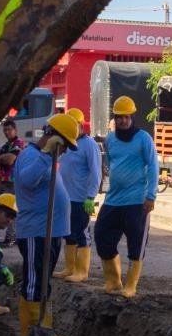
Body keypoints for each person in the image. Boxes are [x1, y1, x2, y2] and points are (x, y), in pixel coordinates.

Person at [13, 113, 78, 336]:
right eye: (64, 146)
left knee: (43, 284)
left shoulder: (46, 158)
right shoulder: (32, 155)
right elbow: (27, 181)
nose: (64, 152)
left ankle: (44, 331)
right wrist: (45, 154)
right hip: (35, 232)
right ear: (53, 138)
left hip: (49, 232)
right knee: (33, 283)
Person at [94, 95, 158, 299]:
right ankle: (113, 281)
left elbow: (153, 167)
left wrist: (150, 196)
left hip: (137, 201)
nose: (122, 120)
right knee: (101, 234)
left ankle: (130, 285)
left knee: (135, 243)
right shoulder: (111, 139)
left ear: (132, 116)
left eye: (126, 117)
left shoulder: (143, 139)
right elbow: (111, 164)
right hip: (113, 199)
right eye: (119, 117)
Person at [56, 107, 101, 283]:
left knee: (81, 232)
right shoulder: (66, 144)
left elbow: (96, 172)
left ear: (81, 125)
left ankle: (82, 271)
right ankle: (69, 267)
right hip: (65, 197)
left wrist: (91, 196)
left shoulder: (89, 145)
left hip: (80, 197)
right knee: (68, 233)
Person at [0, 117, 25, 246]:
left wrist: (0, 159)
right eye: (5, 130)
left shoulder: (19, 143)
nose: (7, 132)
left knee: (11, 210)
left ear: (15, 130)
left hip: (14, 181)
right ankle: (12, 236)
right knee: (5, 209)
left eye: (9, 130)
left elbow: (10, 159)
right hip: (4, 181)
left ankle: (11, 237)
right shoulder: (6, 146)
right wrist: (1, 158)